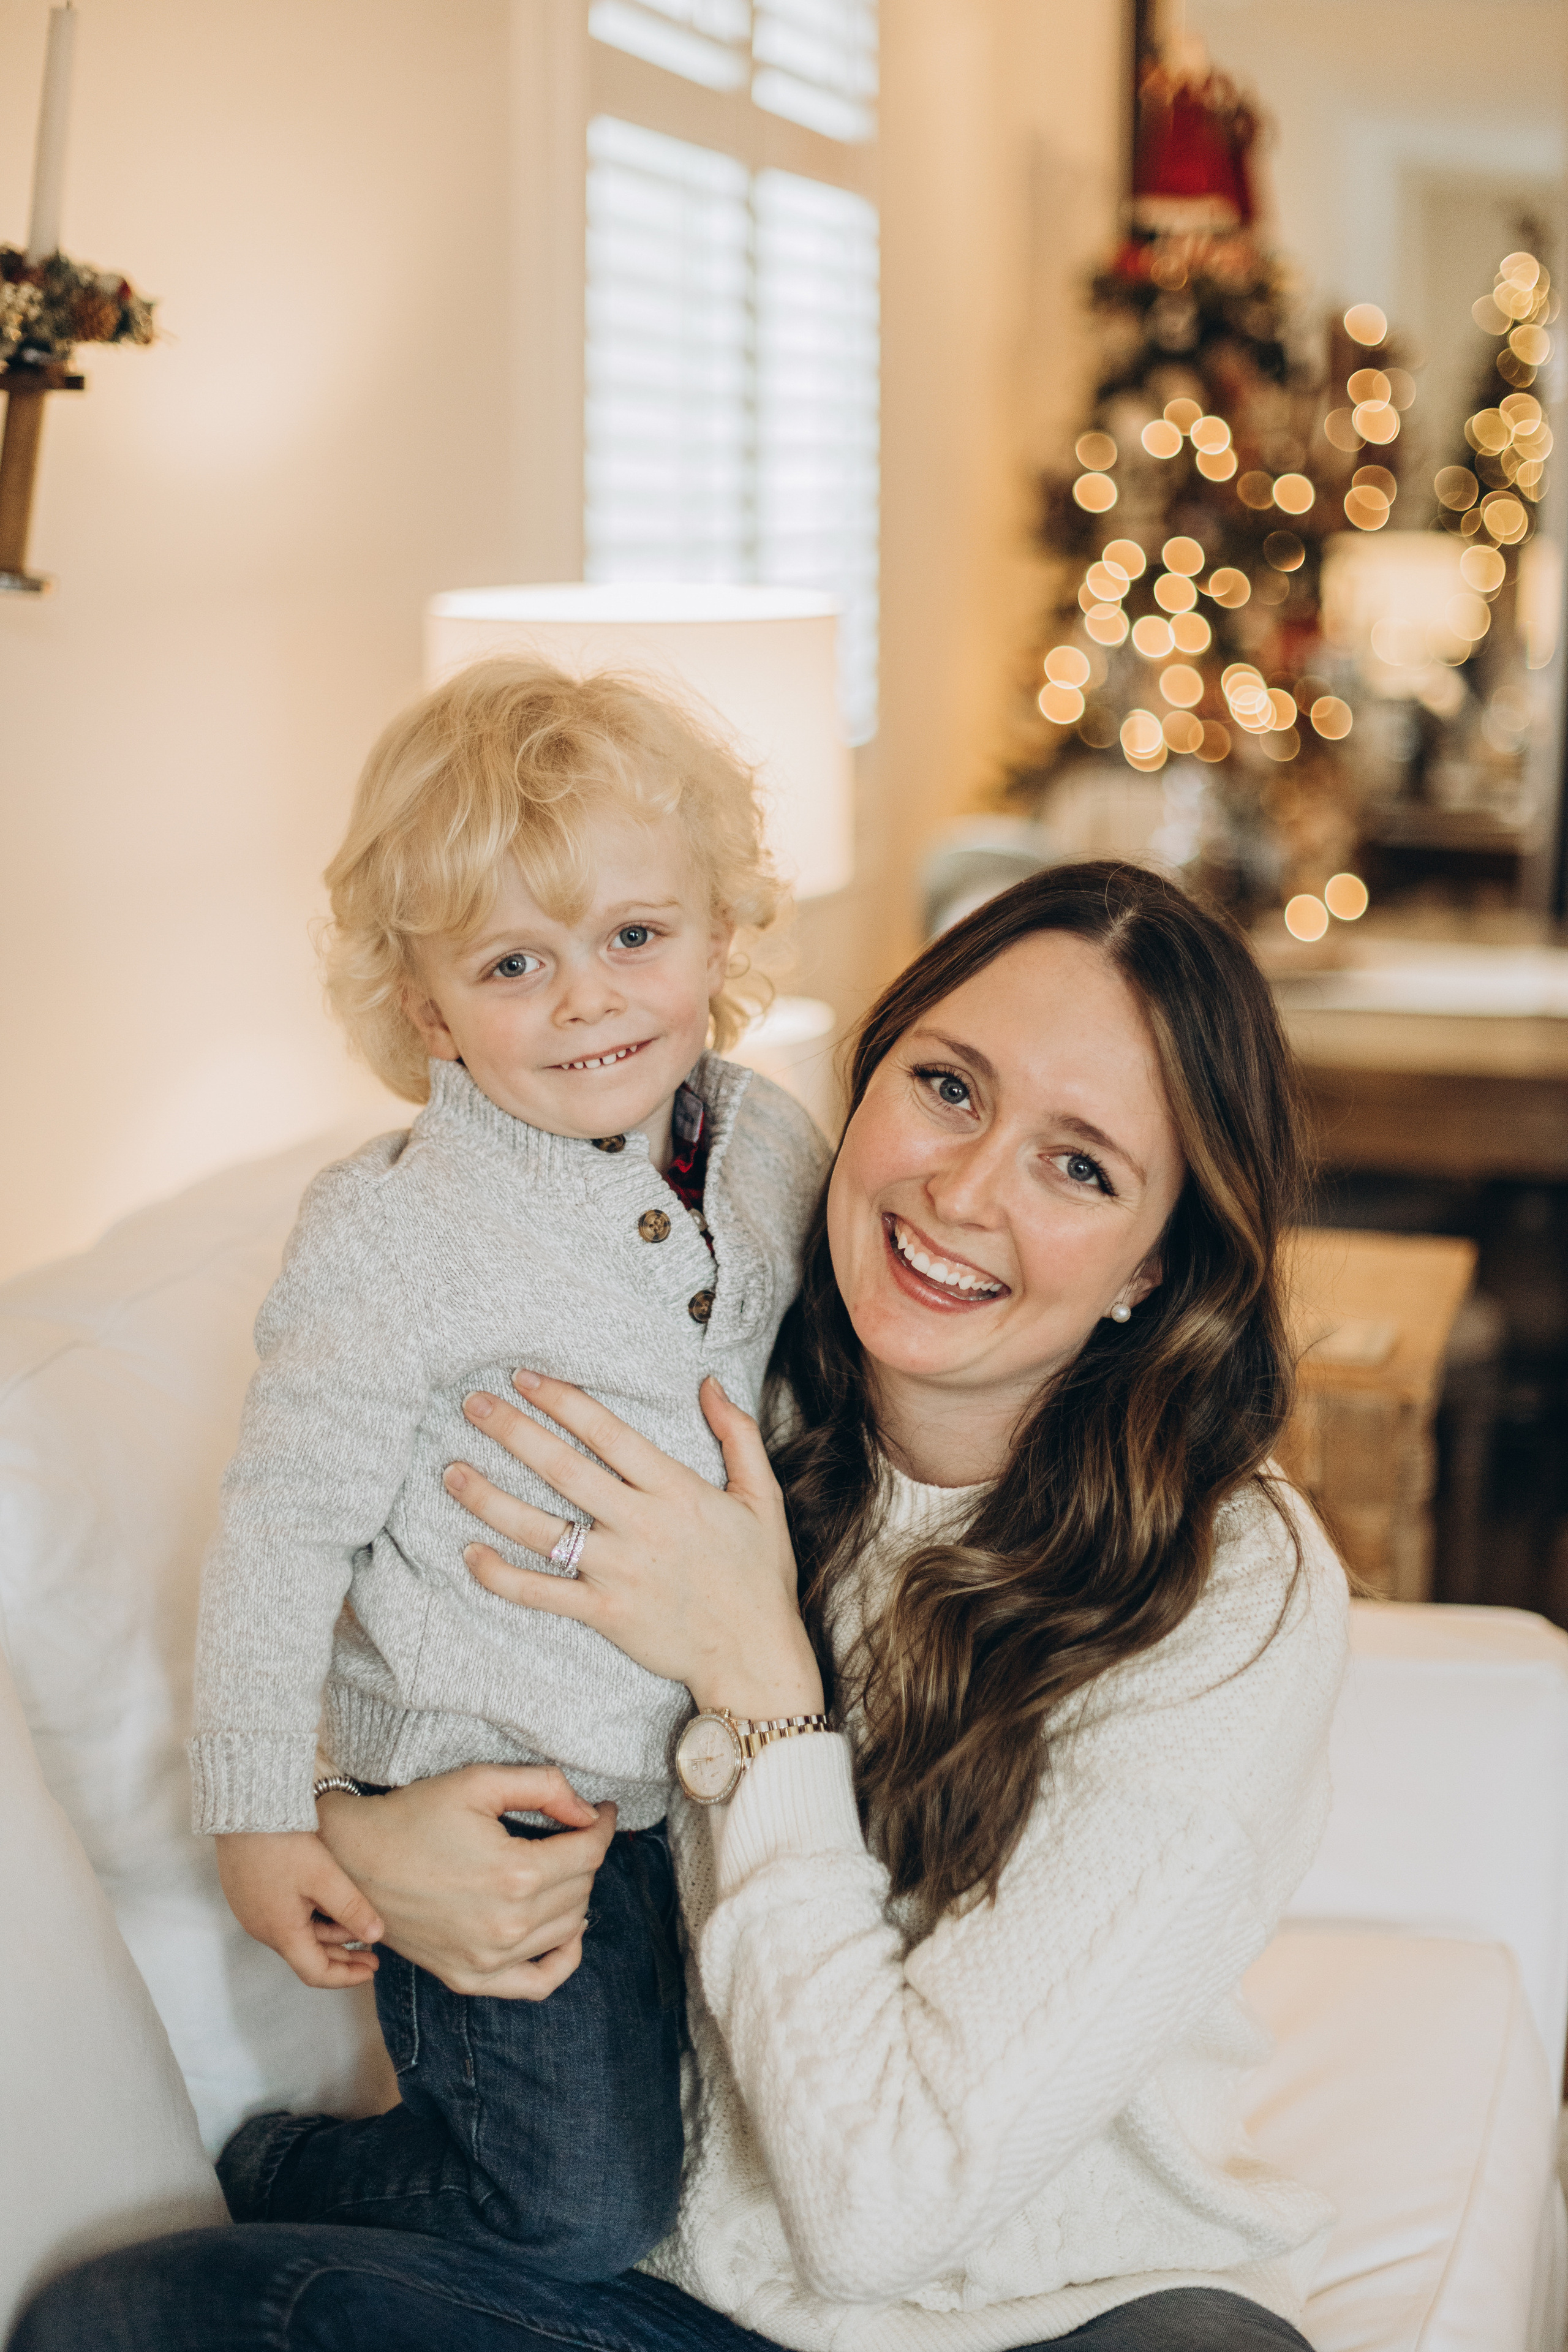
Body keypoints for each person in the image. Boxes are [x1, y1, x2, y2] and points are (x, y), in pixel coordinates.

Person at [13, 861, 1346, 2352]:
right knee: (123, 2319)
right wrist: (352, 1825)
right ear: (869, 1079)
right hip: (671, 2302)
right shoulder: (698, 1382)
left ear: (1152, 1264)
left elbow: (882, 2215)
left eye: (1078, 1167)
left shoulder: (1229, 1590)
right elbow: (398, 1583)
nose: (964, 1192)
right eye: (948, 1088)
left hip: (1074, 2321)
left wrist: (760, 1683)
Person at [185, 657, 827, 2277]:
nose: (587, 1000)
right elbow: (280, 1531)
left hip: (709, 1784)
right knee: (581, 2211)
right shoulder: (393, 1233)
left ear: (720, 933)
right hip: (498, 1805)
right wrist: (264, 1816)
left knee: (739, 2175)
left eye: (634, 936)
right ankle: (274, 2176)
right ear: (427, 1011)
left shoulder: (767, 1145)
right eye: (513, 964)